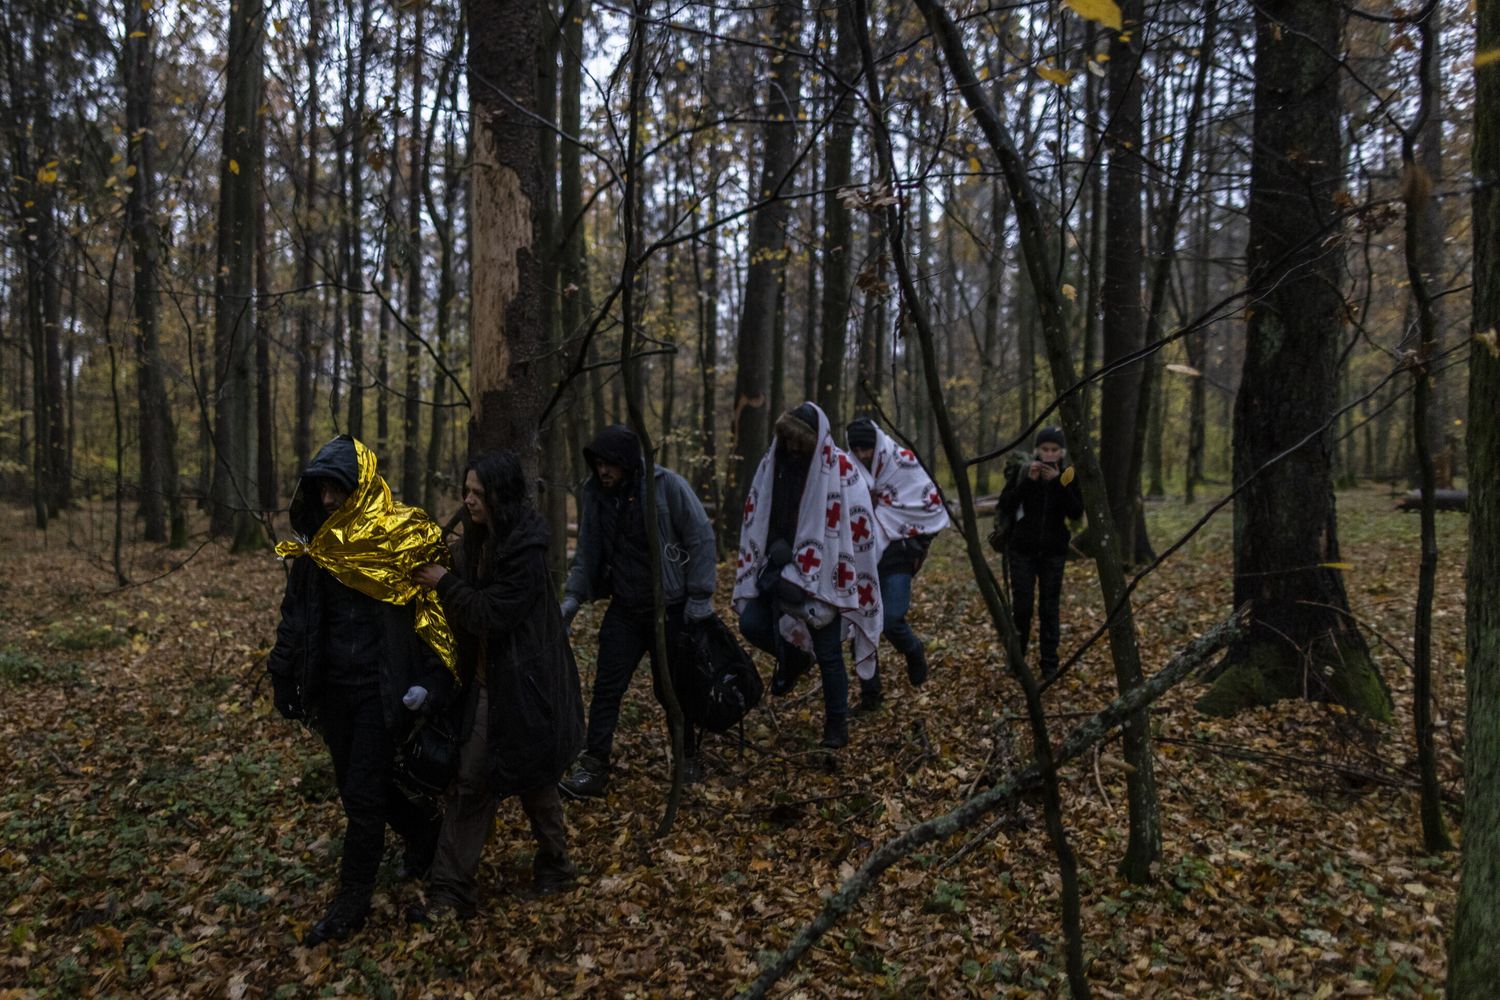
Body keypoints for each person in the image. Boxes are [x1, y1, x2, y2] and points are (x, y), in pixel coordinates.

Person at [267, 435, 455, 945]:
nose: (328, 500)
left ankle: (351, 902)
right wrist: (284, 675)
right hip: (332, 691)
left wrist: (432, 682)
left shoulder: (399, 543)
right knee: (356, 783)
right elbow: (297, 618)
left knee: (363, 796)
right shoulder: (316, 551)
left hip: (381, 689)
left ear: (362, 489)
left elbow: (432, 617)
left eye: (338, 489)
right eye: (322, 489)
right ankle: (422, 832)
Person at [410, 450, 585, 913]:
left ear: (499, 497)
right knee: (476, 779)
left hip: (527, 686)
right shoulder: (482, 539)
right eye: (466, 491)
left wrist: (445, 581)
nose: (468, 500)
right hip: (491, 682)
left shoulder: (524, 551)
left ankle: (555, 864)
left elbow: (492, 614)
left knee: (532, 777)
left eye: (477, 493)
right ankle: (451, 889)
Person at [555, 425, 718, 799]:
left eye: (609, 464)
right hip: (625, 607)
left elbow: (700, 537)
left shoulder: (666, 487)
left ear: (626, 463)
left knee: (672, 687)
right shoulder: (596, 496)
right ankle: (594, 765)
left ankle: (687, 755)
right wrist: (572, 600)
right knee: (607, 687)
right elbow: (587, 552)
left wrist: (699, 597)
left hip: (670, 607)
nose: (603, 472)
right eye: (598, 464)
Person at [734, 402, 883, 749]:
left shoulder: (841, 470)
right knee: (752, 624)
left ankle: (836, 726)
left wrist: (811, 560)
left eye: (801, 440)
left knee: (829, 651)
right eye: (788, 438)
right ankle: (795, 656)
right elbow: (760, 510)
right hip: (776, 566)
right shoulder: (773, 465)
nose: (794, 446)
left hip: (826, 575)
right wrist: (775, 549)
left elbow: (855, 525)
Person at [845, 417, 950, 712]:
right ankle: (870, 695)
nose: (863, 454)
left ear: (877, 444)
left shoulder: (903, 463)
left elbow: (929, 507)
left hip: (898, 558)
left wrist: (915, 547)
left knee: (891, 619)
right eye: (857, 449)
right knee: (860, 625)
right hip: (861, 560)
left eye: (867, 448)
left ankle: (914, 651)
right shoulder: (848, 473)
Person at [995, 426, 1084, 680]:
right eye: (1044, 449)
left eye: (1054, 450)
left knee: (1049, 609)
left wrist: (1057, 483)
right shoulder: (1024, 470)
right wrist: (1029, 483)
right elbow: (1006, 505)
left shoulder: (1068, 475)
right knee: (1021, 608)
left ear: (1061, 452)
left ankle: (1049, 664)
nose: (1049, 454)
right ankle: (1017, 662)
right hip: (1022, 550)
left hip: (1054, 552)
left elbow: (1076, 512)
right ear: (1037, 450)